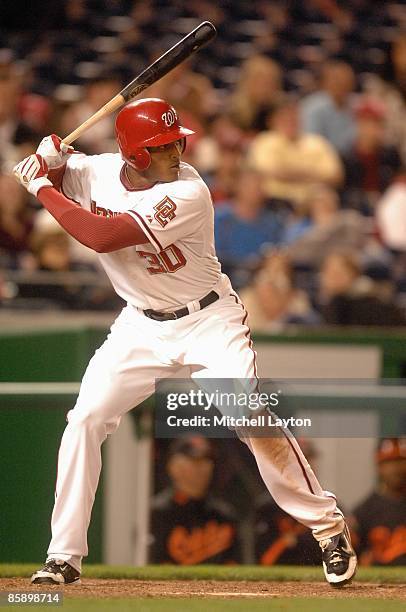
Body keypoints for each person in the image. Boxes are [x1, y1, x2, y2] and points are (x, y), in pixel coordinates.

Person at [13, 97, 357, 587]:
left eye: (178, 141)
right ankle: (63, 556)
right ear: (133, 155)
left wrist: (42, 183)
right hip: (139, 325)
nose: (177, 150)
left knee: (246, 416)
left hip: (207, 319)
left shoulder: (189, 190)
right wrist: (48, 155)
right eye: (162, 146)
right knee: (85, 419)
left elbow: (101, 235)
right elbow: (53, 167)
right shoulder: (95, 171)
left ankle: (328, 528)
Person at [149, 436, 240, 564]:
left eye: (206, 460)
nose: (202, 468)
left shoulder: (223, 514)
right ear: (174, 467)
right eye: (194, 461)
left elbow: (234, 566)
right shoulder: (156, 513)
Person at [351, 438, 406, 566]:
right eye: (389, 462)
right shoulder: (363, 512)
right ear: (379, 467)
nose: (396, 468)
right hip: (377, 583)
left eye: (401, 461)